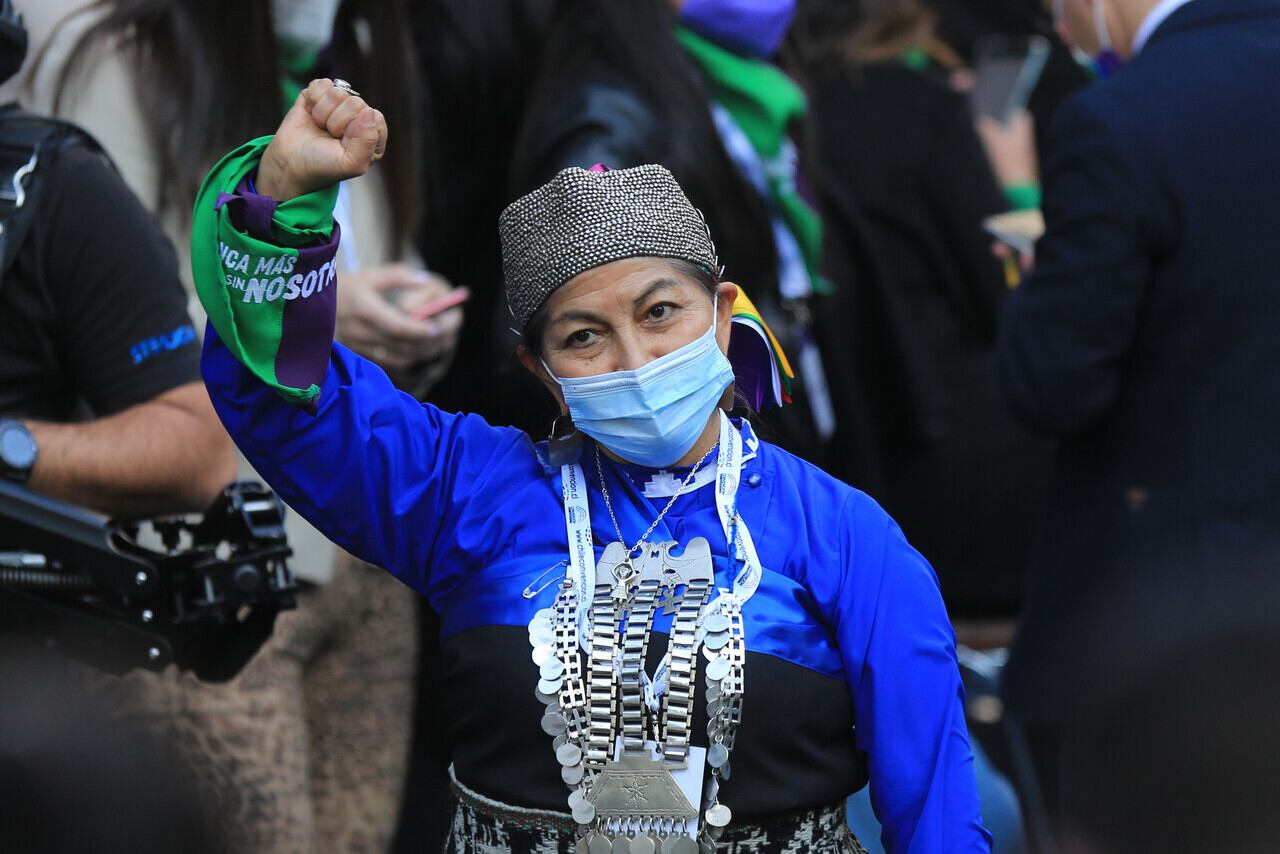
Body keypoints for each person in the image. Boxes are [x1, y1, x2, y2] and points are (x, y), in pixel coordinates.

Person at [193, 78, 991, 853]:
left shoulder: (845, 535)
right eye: (584, 337)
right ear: (543, 374)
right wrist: (282, 203)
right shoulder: (470, 496)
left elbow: (937, 813)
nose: (635, 359)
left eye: (660, 313)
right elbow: (282, 402)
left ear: (722, 318)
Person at [23, 2, 453, 849]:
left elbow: (377, 269)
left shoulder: (362, 49)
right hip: (211, 562)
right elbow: (94, 310)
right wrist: (297, 310)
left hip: (366, 565)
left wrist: (413, 327)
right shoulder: (124, 55)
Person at [996, 0, 1280, 849]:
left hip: (1170, 617)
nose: (1057, 26)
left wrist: (1033, 283)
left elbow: (1053, 386)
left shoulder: (1120, 118)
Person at [788, 0, 1051, 627]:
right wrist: (1020, 187)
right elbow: (1011, 299)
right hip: (974, 471)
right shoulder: (931, 110)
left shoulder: (789, 115)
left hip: (858, 464)